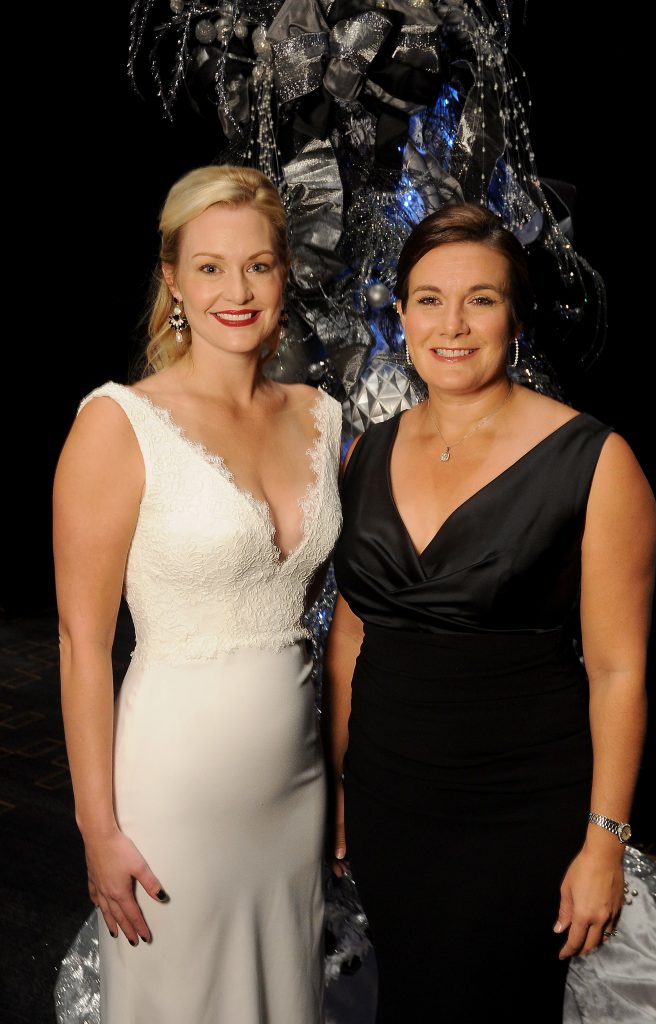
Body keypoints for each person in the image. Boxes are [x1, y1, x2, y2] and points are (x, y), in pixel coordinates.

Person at [323, 203, 656, 1023]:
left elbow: (619, 670)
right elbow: (352, 633)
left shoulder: (596, 461)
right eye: (429, 299)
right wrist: (335, 788)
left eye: (481, 298)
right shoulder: (366, 452)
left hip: (520, 810)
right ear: (400, 315)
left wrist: (604, 840)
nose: (453, 324)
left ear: (516, 315)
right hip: (389, 800)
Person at [53, 165, 342, 1024]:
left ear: (284, 273)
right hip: (171, 791)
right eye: (210, 267)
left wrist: (340, 785)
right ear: (173, 279)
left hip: (295, 788)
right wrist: (97, 830)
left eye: (258, 265)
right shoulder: (118, 422)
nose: (237, 290)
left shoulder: (323, 416)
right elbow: (80, 643)